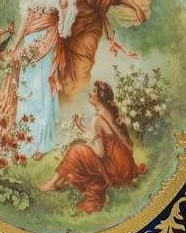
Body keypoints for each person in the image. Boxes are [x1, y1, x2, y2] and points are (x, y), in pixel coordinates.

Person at [0, 0, 77, 159]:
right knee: (27, 87)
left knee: (43, 87)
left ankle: (43, 143)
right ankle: (26, 140)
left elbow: (66, 15)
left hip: (48, 41)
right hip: (31, 40)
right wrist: (16, 44)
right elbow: (27, 19)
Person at [39, 80, 146, 213]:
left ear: (99, 98)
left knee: (76, 150)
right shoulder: (110, 112)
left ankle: (53, 184)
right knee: (80, 148)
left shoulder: (97, 120)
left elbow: (100, 153)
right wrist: (82, 128)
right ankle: (58, 183)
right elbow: (104, 138)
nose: (90, 92)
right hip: (125, 164)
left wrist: (88, 144)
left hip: (115, 169)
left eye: (94, 91)